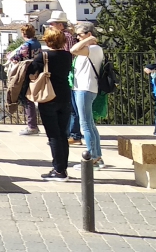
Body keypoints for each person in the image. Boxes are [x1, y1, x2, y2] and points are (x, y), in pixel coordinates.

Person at [23, 27, 74, 181]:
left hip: (48, 97)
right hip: (65, 96)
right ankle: (62, 167)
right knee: (63, 134)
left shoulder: (44, 56)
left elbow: (31, 72)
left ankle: (59, 171)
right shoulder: (68, 56)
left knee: (53, 135)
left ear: (48, 40)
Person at [70, 22, 105, 167]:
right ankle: (97, 156)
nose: (77, 37)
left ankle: (92, 157)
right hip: (83, 88)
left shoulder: (94, 48)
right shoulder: (90, 49)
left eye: (80, 35)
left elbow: (73, 50)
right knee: (90, 124)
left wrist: (88, 40)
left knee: (85, 124)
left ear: (89, 34)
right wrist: (86, 40)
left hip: (85, 89)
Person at [48, 11, 83, 146]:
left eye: (53, 23)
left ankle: (73, 134)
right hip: (69, 73)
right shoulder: (66, 36)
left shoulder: (66, 37)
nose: (51, 25)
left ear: (61, 25)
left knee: (72, 106)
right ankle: (70, 133)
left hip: (70, 74)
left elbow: (69, 55)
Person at [8, 23, 42, 136]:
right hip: (36, 71)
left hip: (25, 73)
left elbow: (14, 57)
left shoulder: (26, 45)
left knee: (26, 98)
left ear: (23, 33)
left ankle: (32, 126)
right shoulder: (37, 43)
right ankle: (33, 125)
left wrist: (10, 56)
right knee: (31, 97)